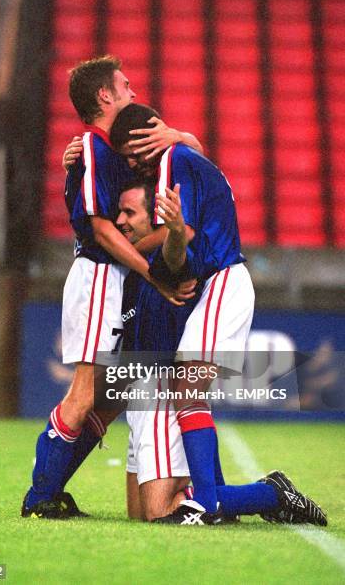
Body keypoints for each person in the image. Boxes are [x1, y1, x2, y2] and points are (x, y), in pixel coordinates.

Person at [21, 56, 203, 519]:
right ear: (106, 95)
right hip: (100, 274)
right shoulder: (93, 149)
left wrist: (179, 137)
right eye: (125, 84)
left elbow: (196, 155)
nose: (133, 90)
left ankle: (49, 492)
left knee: (112, 395)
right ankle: (40, 498)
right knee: (85, 394)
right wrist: (152, 273)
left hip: (115, 280)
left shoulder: (114, 146)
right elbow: (101, 232)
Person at [116, 180, 327, 527]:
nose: (121, 220)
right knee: (138, 512)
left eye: (130, 213)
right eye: (118, 212)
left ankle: (270, 494)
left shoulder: (169, 264)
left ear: (157, 220)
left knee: (161, 512)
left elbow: (180, 253)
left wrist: (175, 231)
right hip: (139, 394)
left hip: (159, 388)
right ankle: (227, 501)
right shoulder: (132, 265)